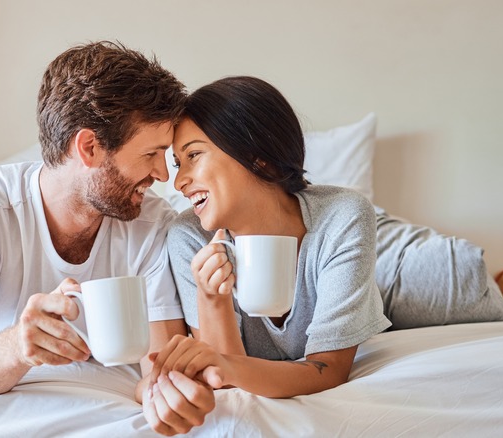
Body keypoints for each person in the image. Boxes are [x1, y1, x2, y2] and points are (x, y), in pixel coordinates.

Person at [0, 41, 213, 434]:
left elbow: (155, 365)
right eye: (151, 154)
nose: (163, 175)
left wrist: (163, 393)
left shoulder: (153, 223)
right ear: (89, 147)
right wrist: (16, 345)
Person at [147, 76, 392, 420]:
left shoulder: (343, 215)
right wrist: (212, 299)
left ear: (257, 157)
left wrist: (228, 366)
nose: (179, 181)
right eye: (178, 163)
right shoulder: (189, 237)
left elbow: (329, 368)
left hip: (386, 273)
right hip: (353, 277)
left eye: (194, 155)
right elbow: (226, 377)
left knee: (458, 277)